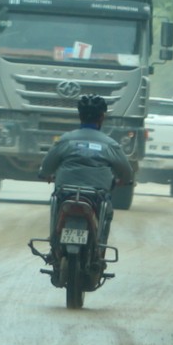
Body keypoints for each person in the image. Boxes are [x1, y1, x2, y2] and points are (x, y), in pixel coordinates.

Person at [39, 95, 134, 245]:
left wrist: (45, 175)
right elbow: (126, 171)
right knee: (106, 213)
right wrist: (124, 180)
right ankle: (100, 248)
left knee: (56, 204)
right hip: (97, 196)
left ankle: (54, 241)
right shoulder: (110, 144)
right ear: (102, 117)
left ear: (80, 116)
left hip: (65, 193)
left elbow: (47, 166)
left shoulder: (65, 140)